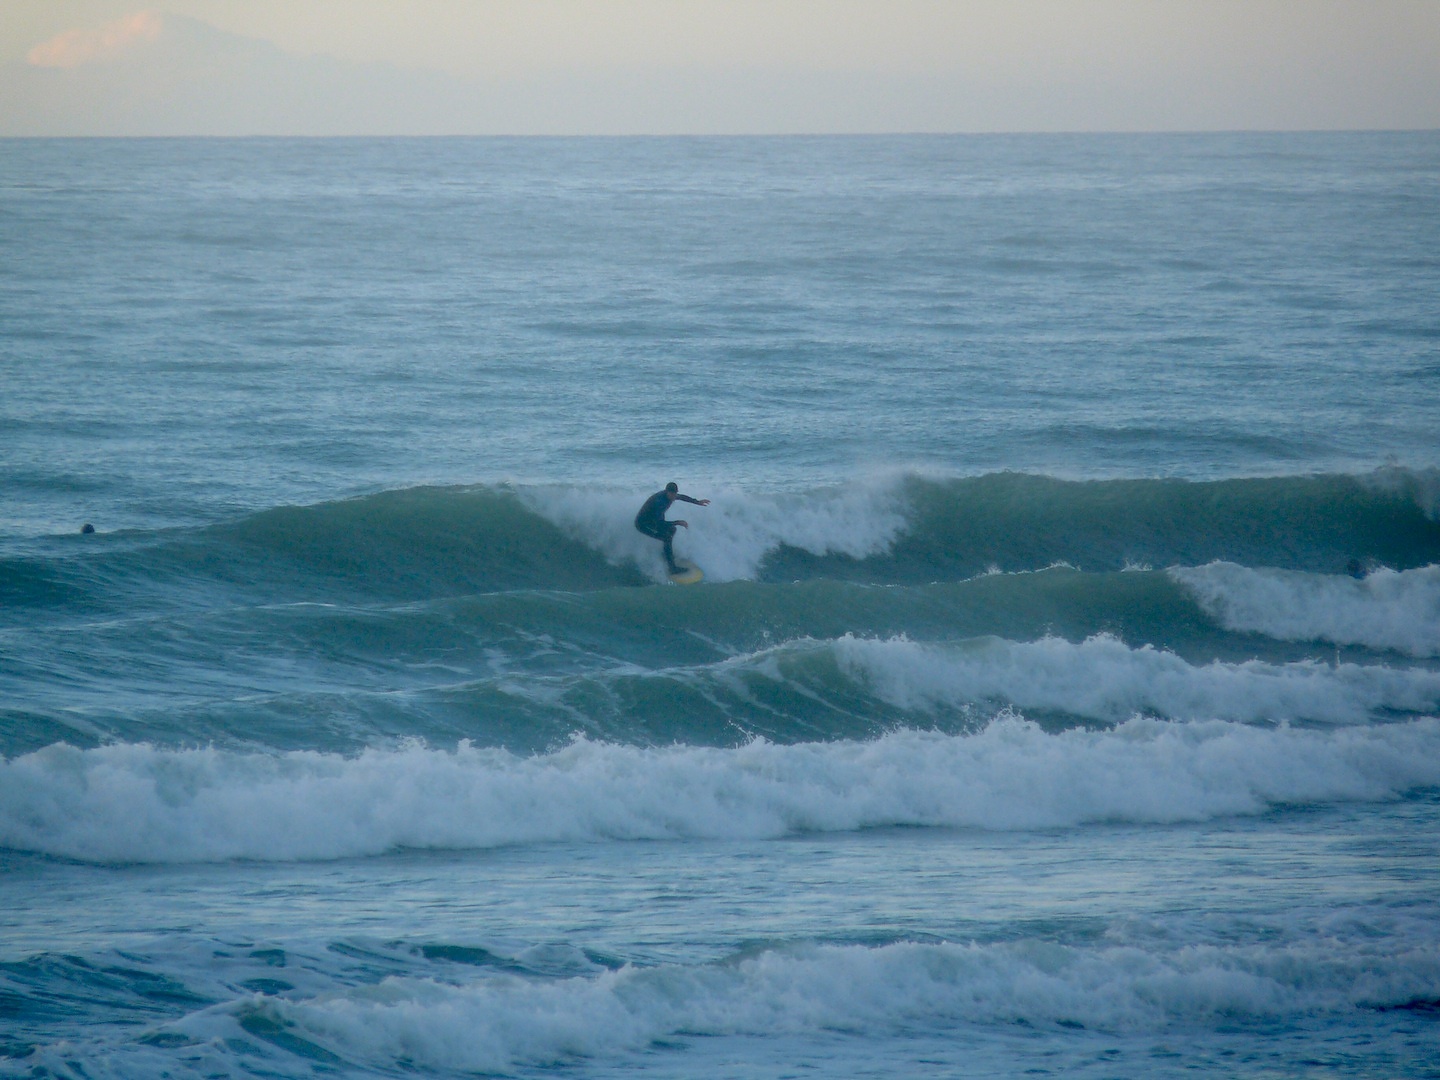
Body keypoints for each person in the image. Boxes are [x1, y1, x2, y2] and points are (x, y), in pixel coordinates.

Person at [635, 482, 709, 575]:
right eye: (672, 494)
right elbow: (660, 523)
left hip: (652, 522)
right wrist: (678, 522)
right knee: (666, 537)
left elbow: (682, 497)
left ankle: (666, 555)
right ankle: (672, 569)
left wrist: (697, 502)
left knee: (672, 530)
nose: (674, 497)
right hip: (643, 524)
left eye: (675, 494)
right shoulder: (660, 502)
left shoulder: (671, 496)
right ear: (667, 492)